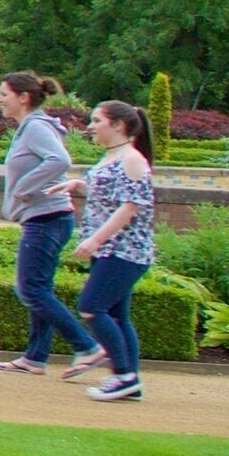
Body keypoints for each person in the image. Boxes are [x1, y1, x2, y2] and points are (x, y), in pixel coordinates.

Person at [0, 69, 104, 378]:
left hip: (47, 219)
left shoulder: (36, 127)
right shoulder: (30, 127)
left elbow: (60, 160)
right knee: (38, 288)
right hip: (47, 218)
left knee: (30, 289)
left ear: (23, 97)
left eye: (4, 94)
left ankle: (87, 347)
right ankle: (35, 357)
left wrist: (25, 189)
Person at [69, 99, 161, 403]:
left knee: (91, 306)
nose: (90, 126)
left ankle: (123, 375)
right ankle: (129, 380)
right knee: (118, 316)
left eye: (97, 121)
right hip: (112, 250)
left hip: (125, 250)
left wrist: (95, 239)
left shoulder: (132, 158)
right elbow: (111, 193)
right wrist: (78, 185)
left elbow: (130, 206)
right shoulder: (115, 156)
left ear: (118, 125)